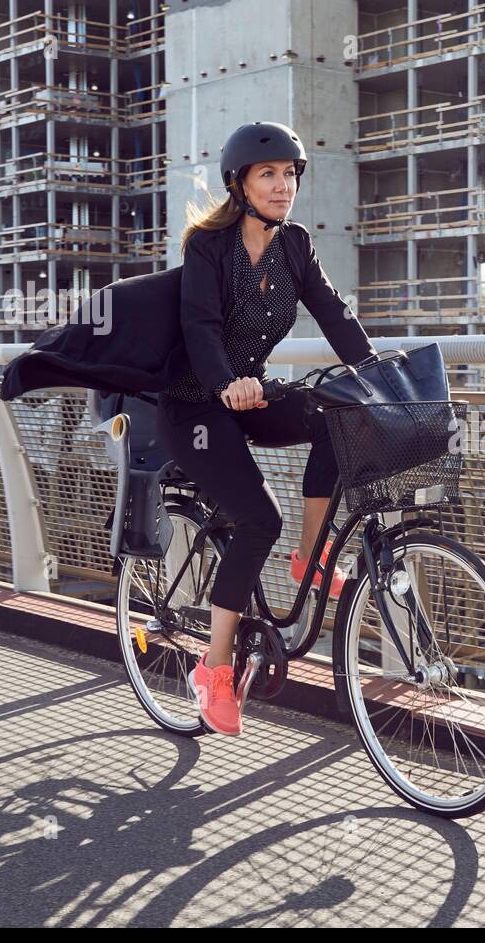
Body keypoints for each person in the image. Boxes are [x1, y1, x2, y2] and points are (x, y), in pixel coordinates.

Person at [161, 121, 377, 737]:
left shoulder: (295, 245)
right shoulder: (208, 246)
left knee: (341, 411)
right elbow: (200, 327)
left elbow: (334, 311)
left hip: (247, 395)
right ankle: (215, 668)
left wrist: (374, 371)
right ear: (241, 183)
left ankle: (309, 555)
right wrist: (226, 380)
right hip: (195, 403)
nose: (283, 186)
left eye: (290, 174)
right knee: (259, 519)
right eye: (268, 174)